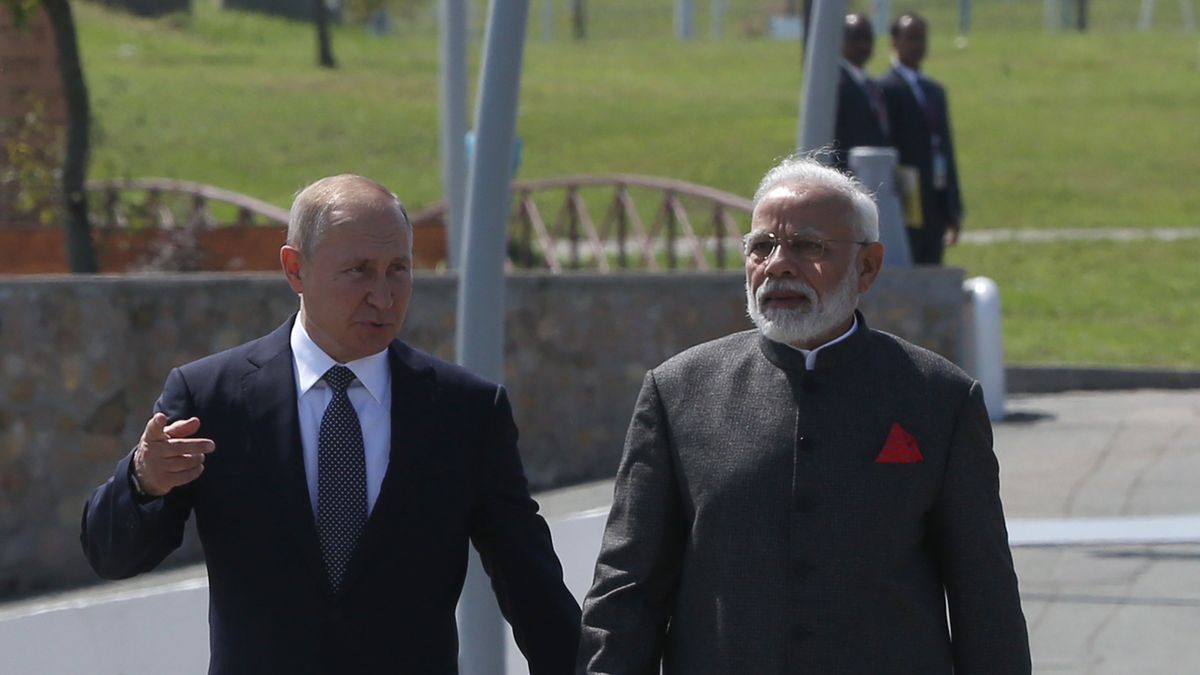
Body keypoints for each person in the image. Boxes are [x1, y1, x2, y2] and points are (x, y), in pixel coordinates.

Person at [81, 175, 581, 674]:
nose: (383, 297)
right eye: (359, 272)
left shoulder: (466, 410)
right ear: (295, 269)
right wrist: (143, 482)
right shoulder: (212, 398)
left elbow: (529, 581)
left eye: (398, 270)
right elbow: (112, 556)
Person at [577, 155, 1030, 673]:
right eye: (762, 247)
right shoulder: (678, 391)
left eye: (808, 246)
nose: (778, 265)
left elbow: (984, 597)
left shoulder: (939, 399)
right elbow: (627, 587)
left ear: (868, 266)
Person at [880, 12, 964, 265]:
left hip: (934, 192)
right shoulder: (885, 88)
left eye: (921, 39)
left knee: (932, 261)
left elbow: (945, 148)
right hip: (906, 189)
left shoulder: (934, 91)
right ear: (894, 41)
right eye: (911, 39)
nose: (917, 46)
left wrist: (952, 206)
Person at [833, 13, 890, 174]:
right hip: (848, 174)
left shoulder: (872, 86)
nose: (863, 45)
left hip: (874, 172)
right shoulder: (836, 85)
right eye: (856, 38)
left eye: (868, 38)